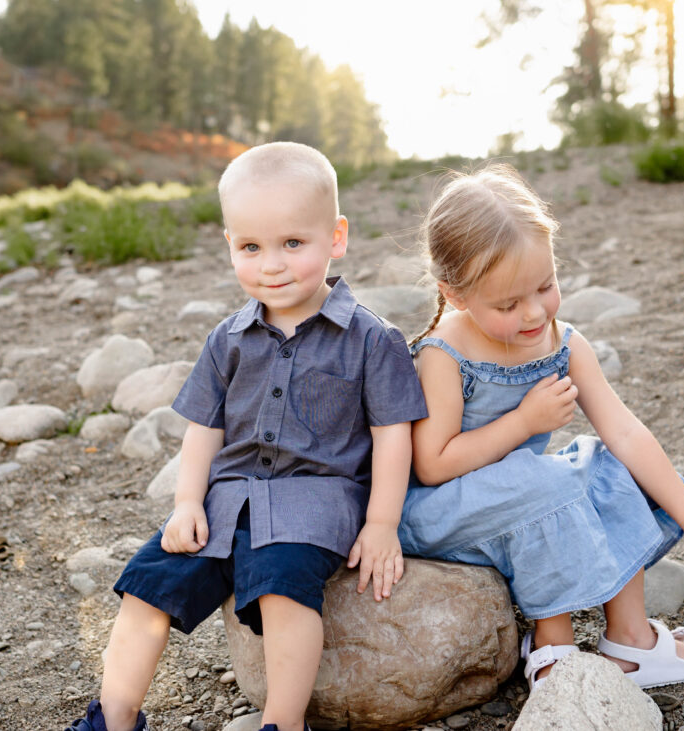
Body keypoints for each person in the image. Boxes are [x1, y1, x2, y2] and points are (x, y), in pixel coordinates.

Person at [66, 142, 427, 731]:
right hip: (224, 501)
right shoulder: (227, 338)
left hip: (314, 505)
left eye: (292, 243)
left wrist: (382, 524)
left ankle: (283, 723)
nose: (272, 265)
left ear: (335, 238)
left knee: (282, 592)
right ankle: (113, 717)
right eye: (251, 247)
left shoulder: (370, 338)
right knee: (147, 587)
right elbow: (203, 428)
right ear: (230, 244)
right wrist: (186, 503)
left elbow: (393, 435)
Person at [398, 164, 684, 691]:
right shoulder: (445, 353)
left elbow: (627, 432)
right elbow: (432, 466)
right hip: (442, 515)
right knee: (545, 482)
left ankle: (630, 641)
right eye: (508, 304)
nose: (534, 313)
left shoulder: (564, 343)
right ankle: (553, 650)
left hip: (522, 496)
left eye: (546, 286)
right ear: (456, 296)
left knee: (604, 461)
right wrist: (523, 421)